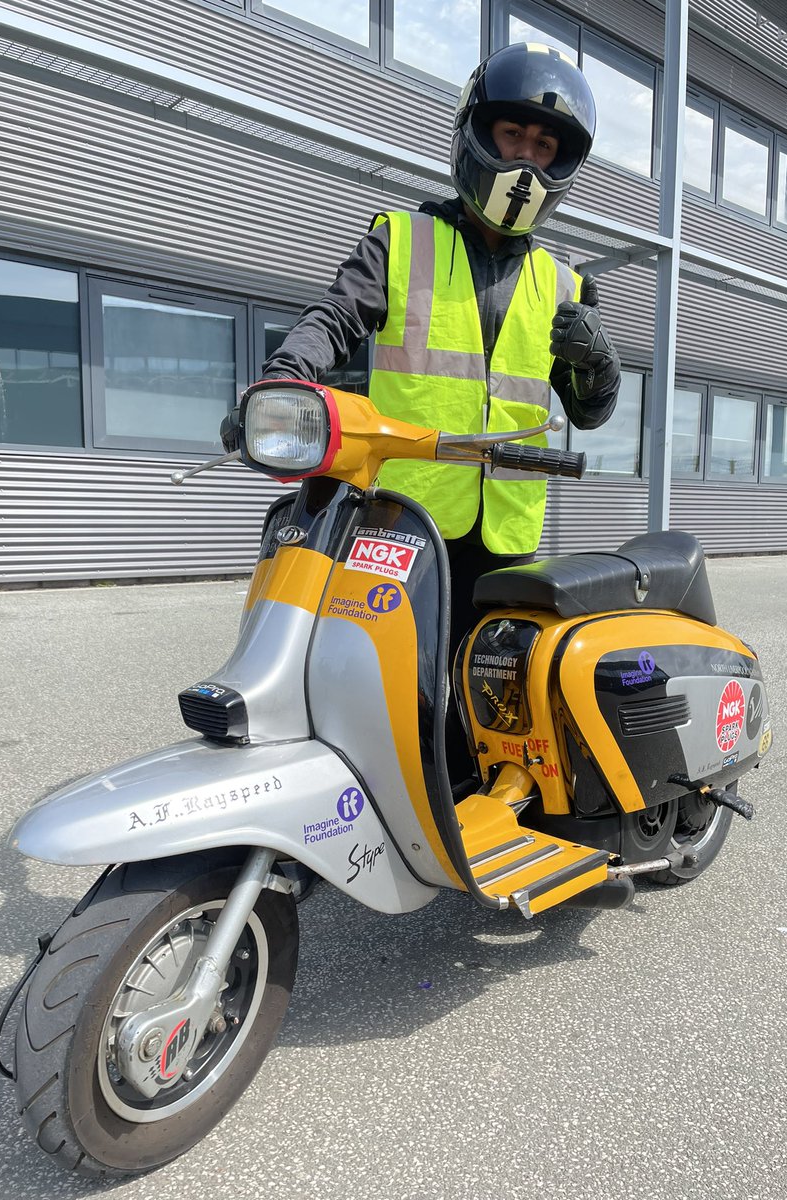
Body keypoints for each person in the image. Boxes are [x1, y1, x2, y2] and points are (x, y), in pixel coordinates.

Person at [224, 42, 620, 776]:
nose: (526, 160)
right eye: (513, 135)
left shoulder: (566, 283)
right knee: (390, 682)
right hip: (405, 520)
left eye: (544, 147)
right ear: (476, 134)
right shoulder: (401, 241)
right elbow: (333, 319)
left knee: (494, 695)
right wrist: (281, 380)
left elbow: (588, 411)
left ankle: (486, 803)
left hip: (507, 533)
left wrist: (600, 363)